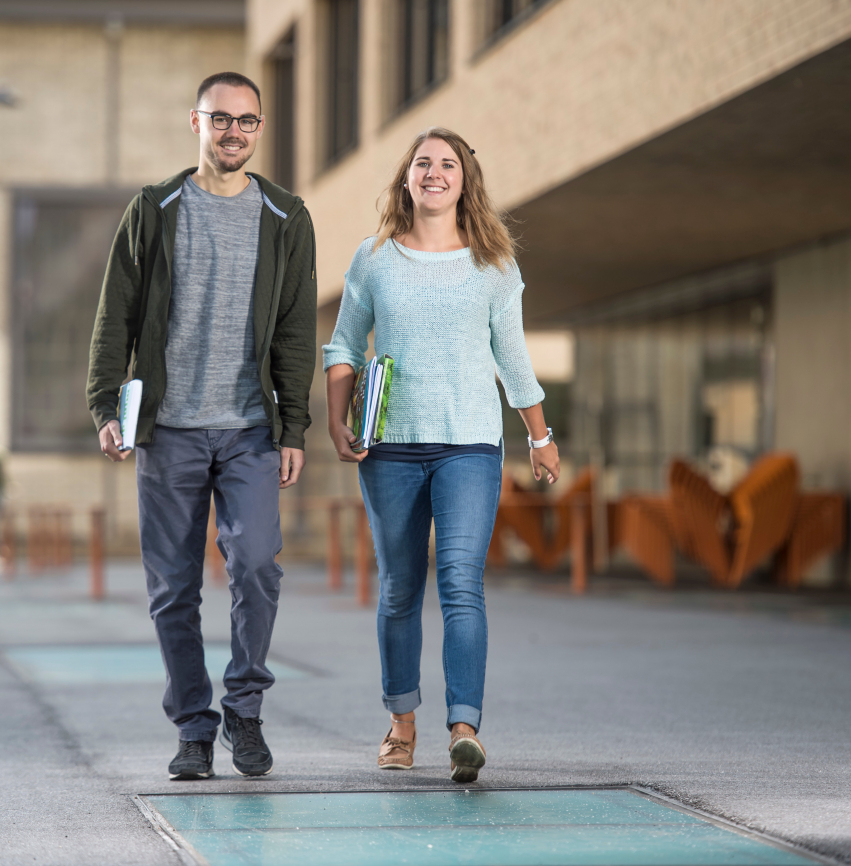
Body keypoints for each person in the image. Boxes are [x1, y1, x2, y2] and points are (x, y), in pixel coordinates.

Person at [86, 72, 317, 780]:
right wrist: (105, 404)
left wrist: (293, 427)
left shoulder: (286, 215)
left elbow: (295, 330)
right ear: (196, 122)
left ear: (260, 127)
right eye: (221, 119)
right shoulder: (154, 207)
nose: (234, 132)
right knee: (172, 587)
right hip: (169, 431)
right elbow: (115, 314)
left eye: (247, 122)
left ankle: (244, 709)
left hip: (249, 428)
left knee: (256, 566)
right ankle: (193, 726)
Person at [322, 127, 559, 784]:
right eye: (422, 163)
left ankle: (464, 728)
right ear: (406, 179)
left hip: (471, 447)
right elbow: (342, 345)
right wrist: (337, 420)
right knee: (399, 588)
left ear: (465, 181)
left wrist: (540, 435)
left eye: (447, 163)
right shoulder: (373, 258)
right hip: (390, 449)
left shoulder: (493, 266)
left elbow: (512, 358)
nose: (433, 172)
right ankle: (401, 722)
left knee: (461, 582)